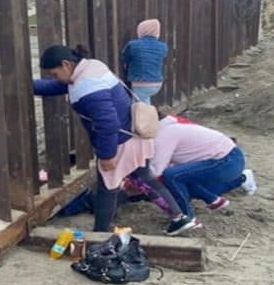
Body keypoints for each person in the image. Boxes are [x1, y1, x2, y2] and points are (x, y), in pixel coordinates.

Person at [33, 44, 196, 236]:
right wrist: (27, 85)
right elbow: (56, 86)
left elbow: (108, 124)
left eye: (54, 73)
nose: (54, 78)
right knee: (143, 177)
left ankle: (99, 233)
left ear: (66, 64)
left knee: (107, 187)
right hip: (134, 134)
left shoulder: (88, 87)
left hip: (120, 142)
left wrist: (106, 155)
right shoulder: (90, 68)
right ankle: (179, 218)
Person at [149, 111, 257, 221]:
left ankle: (185, 218)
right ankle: (239, 180)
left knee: (171, 176)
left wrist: (135, 184)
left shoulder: (165, 134)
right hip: (230, 159)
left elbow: (155, 171)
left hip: (226, 161)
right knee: (184, 188)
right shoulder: (172, 126)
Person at [121, 19, 169, 104]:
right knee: (145, 99)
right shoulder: (163, 46)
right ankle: (150, 114)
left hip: (140, 83)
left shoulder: (132, 45)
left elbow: (125, 59)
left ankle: (145, 117)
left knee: (139, 107)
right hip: (157, 83)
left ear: (140, 31)